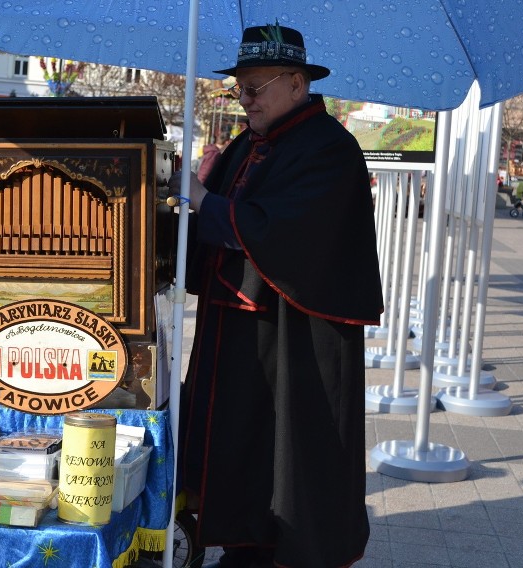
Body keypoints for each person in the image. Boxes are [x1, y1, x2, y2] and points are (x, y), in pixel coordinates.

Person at [168, 24, 383, 568]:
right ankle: (242, 545)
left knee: (288, 456)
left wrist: (203, 198)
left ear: (296, 82)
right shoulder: (247, 142)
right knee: (237, 445)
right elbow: (213, 221)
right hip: (237, 328)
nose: (244, 99)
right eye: (238, 88)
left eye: (255, 87)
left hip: (297, 335)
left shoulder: (330, 148)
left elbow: (283, 232)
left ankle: (280, 554)